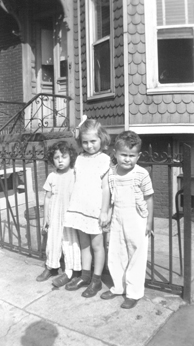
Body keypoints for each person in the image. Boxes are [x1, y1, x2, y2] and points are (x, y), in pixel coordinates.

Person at [100, 131, 154, 309]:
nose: (127, 159)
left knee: (136, 255)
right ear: (115, 153)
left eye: (132, 156)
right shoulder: (112, 173)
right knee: (116, 253)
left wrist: (149, 222)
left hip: (137, 218)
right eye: (123, 155)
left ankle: (134, 293)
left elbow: (149, 198)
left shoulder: (142, 174)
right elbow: (108, 195)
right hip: (118, 217)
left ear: (138, 156)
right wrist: (106, 213)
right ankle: (118, 287)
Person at [64, 119, 111, 298]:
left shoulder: (105, 160)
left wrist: (104, 211)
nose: (89, 145)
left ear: (101, 139)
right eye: (85, 142)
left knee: (97, 245)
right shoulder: (80, 159)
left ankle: (97, 280)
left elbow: (106, 188)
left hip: (95, 209)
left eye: (93, 141)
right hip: (80, 207)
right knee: (84, 244)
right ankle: (85, 276)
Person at [36, 141, 81, 286]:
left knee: (70, 242)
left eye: (64, 157)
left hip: (70, 214)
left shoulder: (74, 174)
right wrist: (45, 219)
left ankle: (72, 270)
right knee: (52, 242)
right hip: (55, 214)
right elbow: (47, 198)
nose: (60, 160)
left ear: (71, 157)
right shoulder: (52, 176)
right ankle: (51, 266)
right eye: (56, 158)